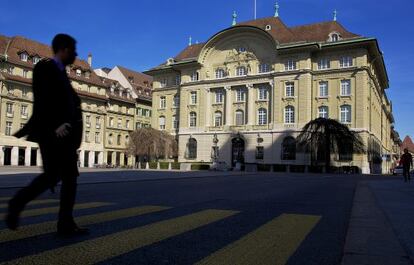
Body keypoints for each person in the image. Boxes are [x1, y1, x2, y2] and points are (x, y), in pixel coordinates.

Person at [5, 34, 88, 236]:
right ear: (64, 50)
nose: (75, 55)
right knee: (53, 176)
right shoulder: (45, 67)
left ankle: (65, 223)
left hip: (65, 137)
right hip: (52, 133)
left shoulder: (62, 74)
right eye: (73, 50)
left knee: (68, 177)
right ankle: (17, 203)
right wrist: (55, 126)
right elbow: (43, 99)